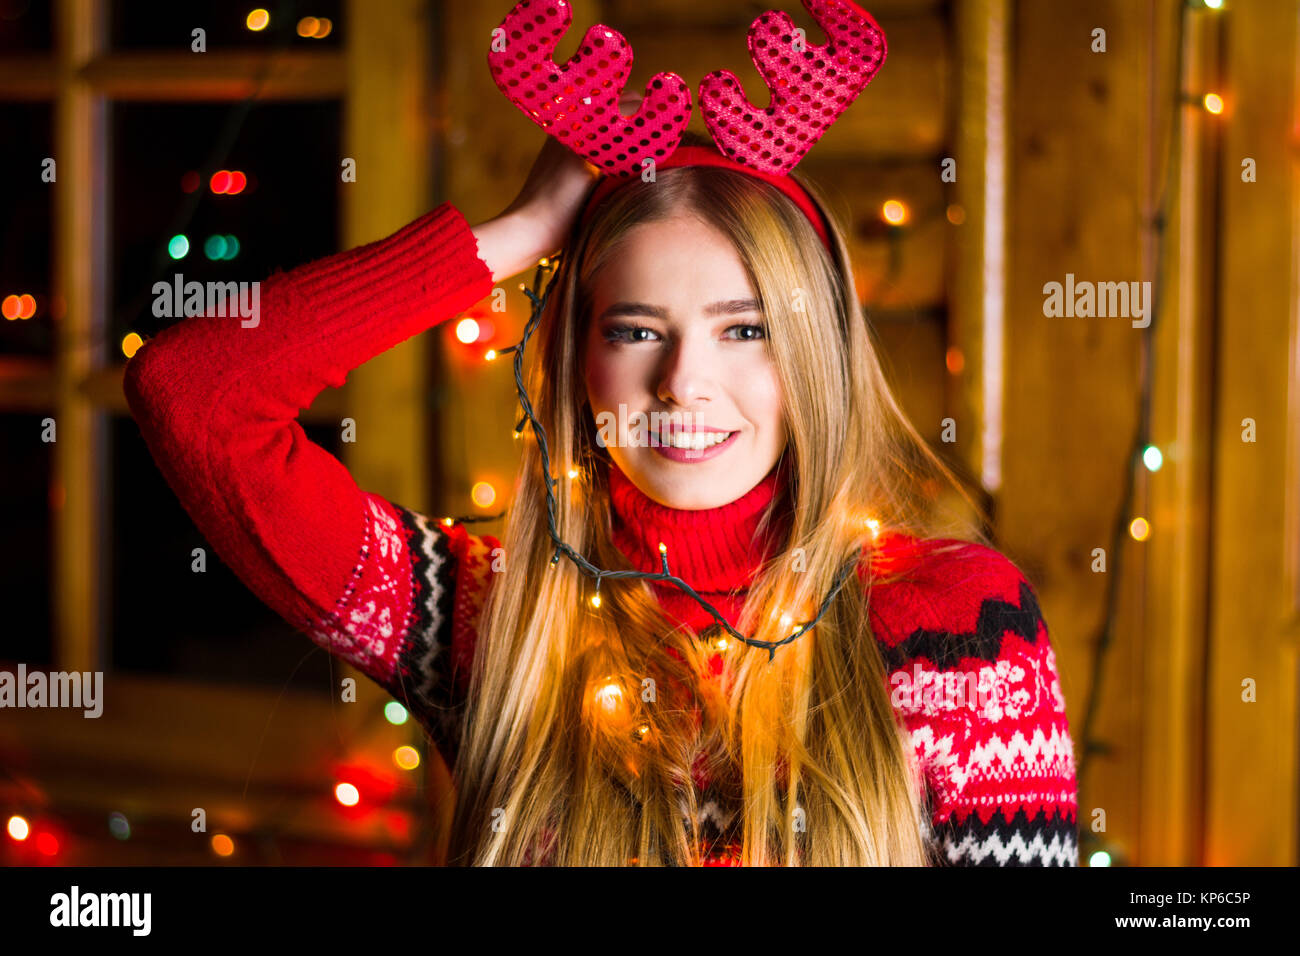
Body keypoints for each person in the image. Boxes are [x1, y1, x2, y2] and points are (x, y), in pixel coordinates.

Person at [123, 119, 1079, 867]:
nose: (682, 383)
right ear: (575, 357)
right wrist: (512, 238)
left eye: (743, 330)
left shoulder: (958, 619)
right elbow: (195, 395)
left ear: (814, 358)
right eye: (633, 330)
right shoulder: (493, 616)